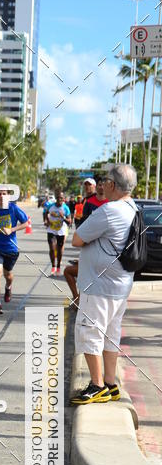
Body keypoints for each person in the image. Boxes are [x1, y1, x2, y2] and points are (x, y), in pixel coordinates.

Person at [70, 163, 137, 404]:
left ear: (112, 185)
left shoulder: (109, 211)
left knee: (90, 333)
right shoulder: (133, 208)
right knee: (110, 335)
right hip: (119, 285)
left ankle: (97, 385)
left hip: (99, 286)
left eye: (105, 181)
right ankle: (110, 382)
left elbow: (78, 239)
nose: (101, 185)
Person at [0, 189, 28, 314]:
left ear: (8, 196)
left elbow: (26, 223)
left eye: (4, 194)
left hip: (11, 248)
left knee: (8, 275)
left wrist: (12, 229)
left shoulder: (13, 209)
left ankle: (8, 287)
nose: (2, 196)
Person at [64, 181, 107, 309]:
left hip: (104, 251)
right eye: (99, 184)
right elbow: (83, 225)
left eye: (103, 184)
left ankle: (84, 303)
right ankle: (78, 300)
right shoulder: (88, 202)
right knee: (72, 273)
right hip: (89, 247)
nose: (101, 187)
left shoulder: (111, 204)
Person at [44, 190, 71, 274]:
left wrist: (63, 217)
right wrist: (47, 221)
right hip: (51, 229)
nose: (60, 199)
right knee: (52, 248)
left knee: (59, 249)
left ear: (63, 199)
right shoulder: (50, 206)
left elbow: (69, 221)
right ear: (56, 198)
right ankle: (53, 266)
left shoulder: (65, 208)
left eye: (61, 198)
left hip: (61, 231)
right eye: (58, 197)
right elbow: (45, 213)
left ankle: (58, 266)